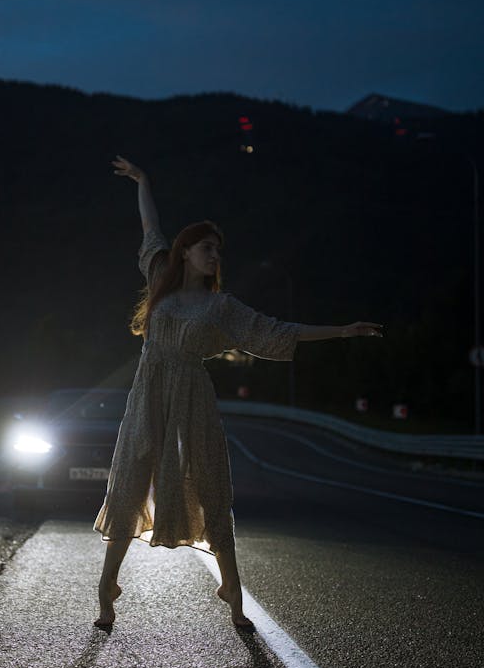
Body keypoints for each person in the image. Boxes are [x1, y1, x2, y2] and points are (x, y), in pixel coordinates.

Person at [93, 155, 382, 630]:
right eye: (207, 247)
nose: (215, 256)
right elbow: (150, 226)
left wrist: (344, 330)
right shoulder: (159, 278)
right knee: (128, 482)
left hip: (193, 399)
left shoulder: (221, 306)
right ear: (186, 252)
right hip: (148, 396)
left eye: (218, 251)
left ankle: (232, 591)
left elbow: (274, 330)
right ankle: (107, 588)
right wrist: (143, 180)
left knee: (209, 484)